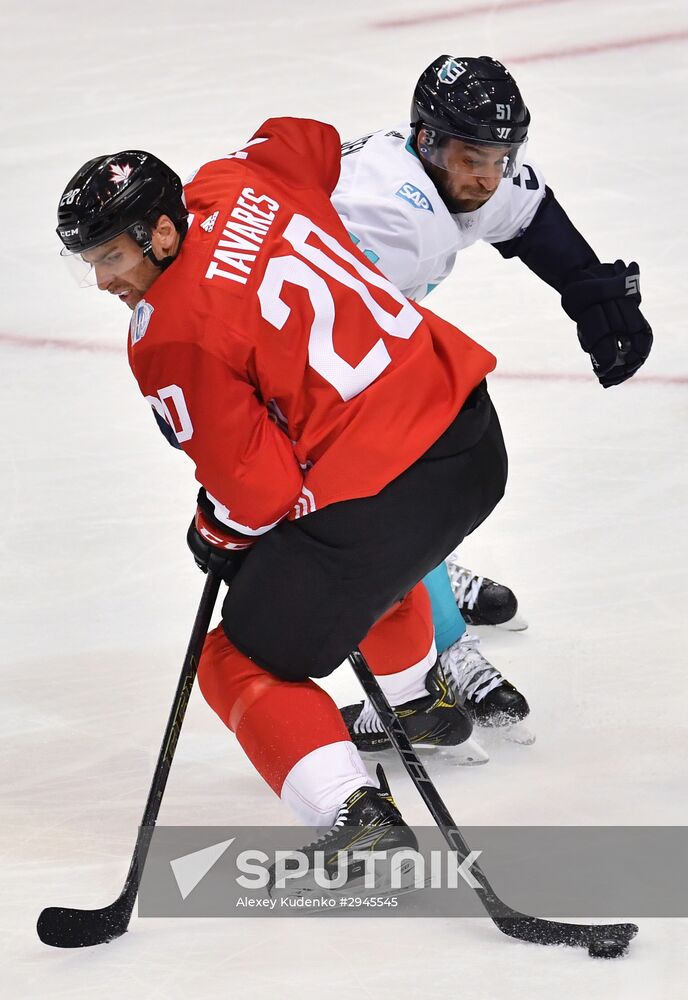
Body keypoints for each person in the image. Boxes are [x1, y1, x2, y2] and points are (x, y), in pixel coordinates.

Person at [56, 116, 508, 884]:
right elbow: (308, 139)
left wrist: (216, 531)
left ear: (161, 233)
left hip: (386, 491)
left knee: (234, 660)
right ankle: (415, 704)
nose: (104, 282)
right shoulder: (235, 180)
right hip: (470, 437)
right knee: (359, 569)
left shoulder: (168, 335)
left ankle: (354, 817)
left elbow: (259, 491)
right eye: (89, 263)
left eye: (112, 257)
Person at [331, 55, 652, 748]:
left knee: (422, 472)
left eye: (501, 158)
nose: (488, 177)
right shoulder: (387, 216)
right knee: (382, 495)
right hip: (289, 352)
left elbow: (528, 214)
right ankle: (440, 656)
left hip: (360, 329)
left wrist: (589, 289)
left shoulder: (456, 174)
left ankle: (429, 580)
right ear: (425, 140)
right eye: (473, 159)